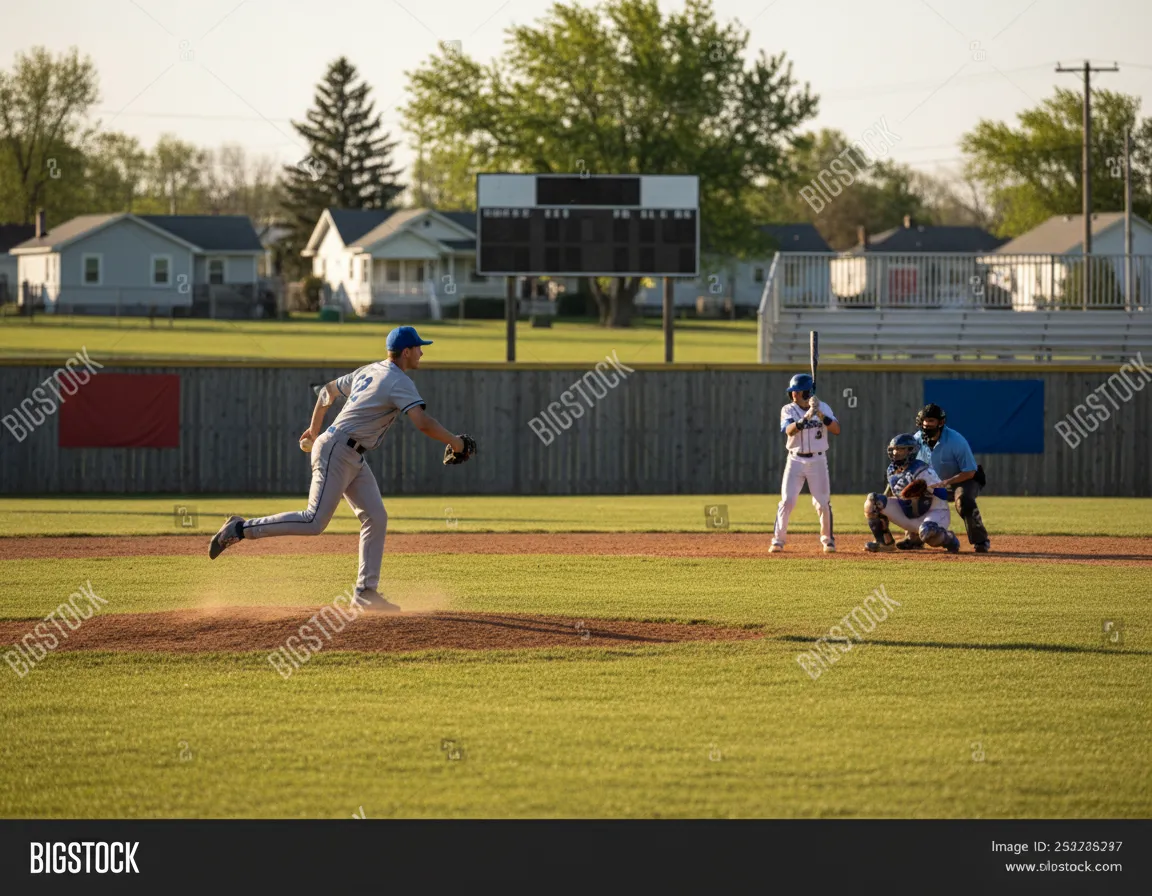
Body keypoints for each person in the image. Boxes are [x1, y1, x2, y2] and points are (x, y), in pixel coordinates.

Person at [207, 326, 474, 612]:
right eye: (419, 347)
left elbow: (326, 392)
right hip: (338, 450)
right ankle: (240, 528)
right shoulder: (399, 380)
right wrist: (456, 442)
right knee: (313, 521)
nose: (422, 351)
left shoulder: (369, 371)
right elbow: (422, 422)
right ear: (406, 352)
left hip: (349, 453)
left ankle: (365, 592)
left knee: (376, 516)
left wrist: (313, 430)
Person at [898, 403, 991, 553]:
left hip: (963, 479)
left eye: (931, 421)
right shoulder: (916, 441)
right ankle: (913, 538)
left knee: (964, 501)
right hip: (935, 482)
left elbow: (970, 471)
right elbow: (911, 466)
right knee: (912, 495)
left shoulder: (956, 441)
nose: (927, 424)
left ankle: (981, 541)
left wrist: (946, 482)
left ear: (940, 423)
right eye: (924, 420)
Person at [770, 373, 840, 553]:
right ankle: (778, 540)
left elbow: (836, 429)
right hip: (795, 459)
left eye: (798, 391)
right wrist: (807, 417)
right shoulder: (788, 409)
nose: (794, 395)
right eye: (793, 391)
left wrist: (820, 414)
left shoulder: (823, 406)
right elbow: (789, 431)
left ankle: (828, 540)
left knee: (822, 502)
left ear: (808, 392)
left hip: (817, 459)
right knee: (787, 500)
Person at [864, 433, 960, 553]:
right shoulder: (891, 470)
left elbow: (944, 495)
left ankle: (949, 538)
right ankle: (885, 543)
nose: (896, 453)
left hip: (934, 512)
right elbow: (888, 495)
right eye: (894, 450)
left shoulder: (922, 470)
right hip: (909, 513)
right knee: (873, 502)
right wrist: (880, 510)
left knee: (927, 533)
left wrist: (927, 490)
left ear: (911, 451)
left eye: (901, 449)